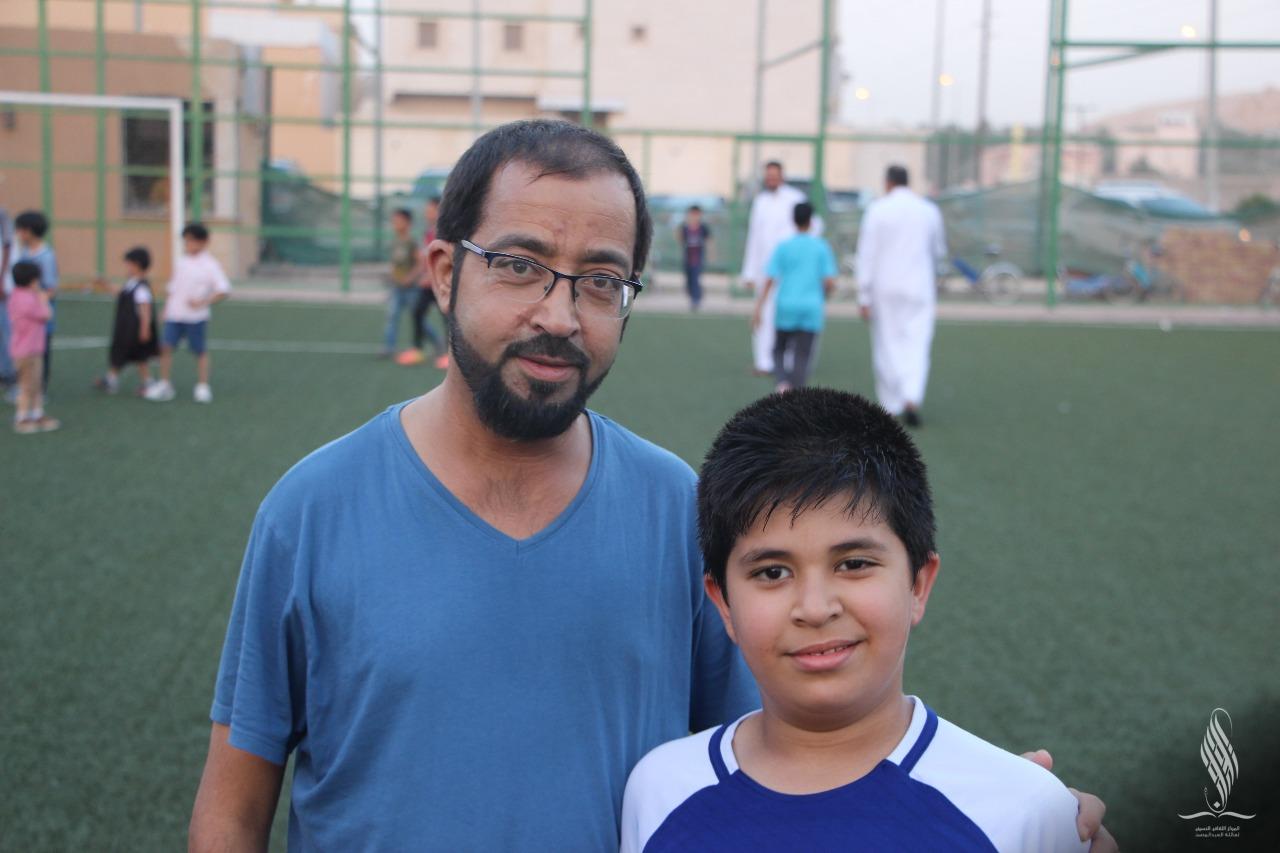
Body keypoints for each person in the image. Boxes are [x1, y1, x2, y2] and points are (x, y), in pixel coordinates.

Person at [189, 121, 1111, 851]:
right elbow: (233, 806)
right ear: (443, 270)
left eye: (601, 281)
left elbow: (784, 760)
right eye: (519, 265)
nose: (559, 314)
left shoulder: (680, 509)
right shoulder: (312, 509)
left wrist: (1005, 804)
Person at [622, 389, 1098, 852]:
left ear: (918, 584)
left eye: (853, 564)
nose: (815, 608)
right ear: (723, 603)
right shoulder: (660, 790)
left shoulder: (1022, 813)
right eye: (772, 572)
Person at [855, 164, 946, 428]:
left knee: (887, 344)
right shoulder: (928, 210)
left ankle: (891, 404)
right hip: (919, 286)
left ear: (888, 183)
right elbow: (939, 252)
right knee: (917, 343)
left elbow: (866, 254)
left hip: (885, 286)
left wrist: (863, 295)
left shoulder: (877, 210)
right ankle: (911, 396)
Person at [752, 202, 836, 392]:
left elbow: (770, 278)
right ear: (811, 221)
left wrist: (759, 307)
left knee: (779, 349)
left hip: (786, 305)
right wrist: (825, 293)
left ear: (793, 220)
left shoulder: (784, 246)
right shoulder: (821, 247)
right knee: (803, 354)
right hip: (811, 307)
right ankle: (796, 389)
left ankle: (782, 382)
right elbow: (829, 281)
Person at [144, 223, 232, 404]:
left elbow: (223, 290)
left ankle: (202, 386)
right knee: (165, 347)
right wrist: (166, 310)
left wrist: (202, 302)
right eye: (186, 241)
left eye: (192, 240)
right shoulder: (181, 262)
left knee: (200, 351)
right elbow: (173, 289)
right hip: (175, 315)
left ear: (204, 242)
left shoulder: (210, 265)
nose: (188, 244)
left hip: (195, 318)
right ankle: (165, 384)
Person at [739, 161, 811, 376]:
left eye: (774, 175)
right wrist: (749, 272)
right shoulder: (760, 202)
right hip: (764, 269)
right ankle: (764, 362)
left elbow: (813, 226)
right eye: (768, 176)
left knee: (788, 314)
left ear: (782, 176)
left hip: (791, 269)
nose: (771, 179)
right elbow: (754, 237)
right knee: (763, 313)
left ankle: (788, 361)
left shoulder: (796, 198)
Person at [93, 247, 159, 395]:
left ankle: (146, 382)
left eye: (128, 264)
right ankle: (113, 379)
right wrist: (105, 283)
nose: (126, 267)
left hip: (133, 329)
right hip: (125, 327)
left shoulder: (142, 287)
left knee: (137, 355)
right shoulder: (131, 283)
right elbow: (120, 293)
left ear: (137, 265)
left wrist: (145, 328)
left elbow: (145, 309)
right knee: (126, 353)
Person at [396, 197, 449, 368]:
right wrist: (421, 275)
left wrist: (432, 277)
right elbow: (425, 258)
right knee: (417, 312)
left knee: (448, 318)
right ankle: (417, 349)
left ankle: (449, 355)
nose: (427, 213)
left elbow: (447, 259)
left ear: (440, 210)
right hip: (428, 284)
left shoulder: (446, 233)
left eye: (430, 210)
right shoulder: (428, 232)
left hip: (442, 283)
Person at [7, 261, 59, 433]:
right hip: (27, 351)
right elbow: (47, 315)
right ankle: (22, 418)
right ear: (32, 280)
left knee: (36, 384)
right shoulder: (29, 300)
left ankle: (37, 414)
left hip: (30, 349)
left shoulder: (16, 295)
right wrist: (43, 299)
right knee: (26, 385)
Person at [13, 210, 59, 392]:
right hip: (23, 314)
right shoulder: (24, 251)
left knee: (40, 352)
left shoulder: (46, 256)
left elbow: (51, 288)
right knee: (22, 349)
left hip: (38, 315)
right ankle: (24, 385)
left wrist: (38, 304)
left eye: (20, 230)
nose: (18, 233)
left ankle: (39, 390)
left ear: (29, 231)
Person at [381, 207, 420, 360]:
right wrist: (392, 276)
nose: (395, 223)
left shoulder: (411, 242)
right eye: (394, 221)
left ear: (407, 222)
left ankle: (437, 343)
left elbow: (420, 263)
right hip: (397, 288)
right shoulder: (394, 242)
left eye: (398, 220)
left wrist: (410, 278)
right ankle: (389, 348)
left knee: (418, 318)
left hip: (411, 288)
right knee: (392, 316)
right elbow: (394, 263)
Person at [677, 204, 711, 311]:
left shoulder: (703, 227)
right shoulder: (685, 227)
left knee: (695, 278)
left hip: (698, 258)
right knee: (689, 279)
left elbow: (709, 240)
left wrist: (711, 254)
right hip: (687, 258)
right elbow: (679, 238)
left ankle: (696, 299)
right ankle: (695, 295)